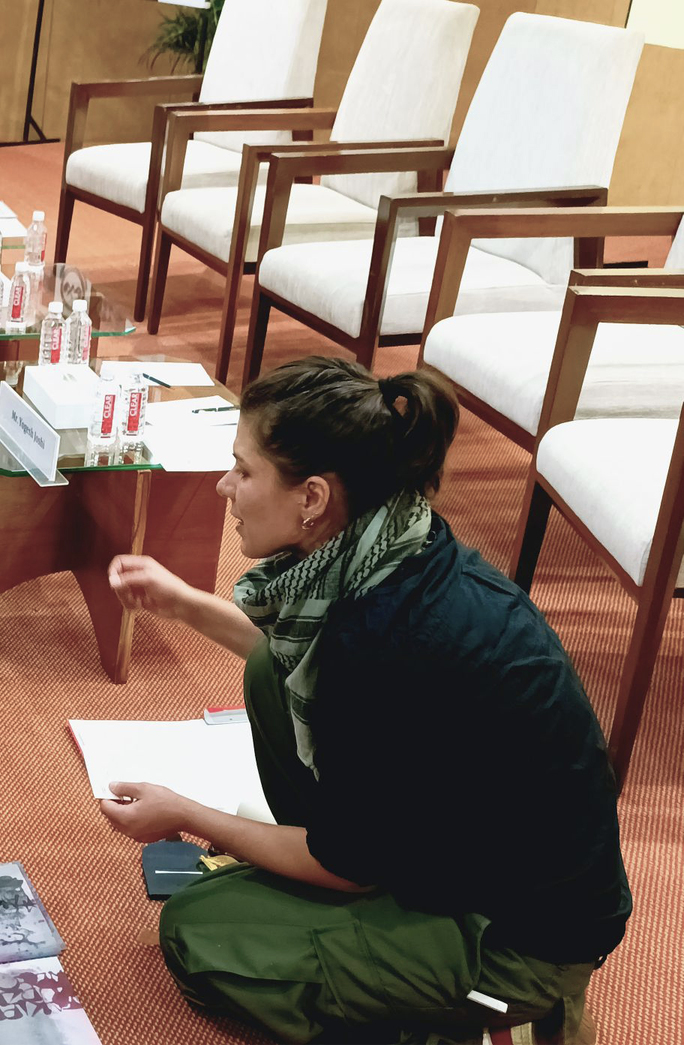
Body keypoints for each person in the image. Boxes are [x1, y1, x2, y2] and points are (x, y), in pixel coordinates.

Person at [103, 358, 630, 1044]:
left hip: (520, 942)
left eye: (244, 469)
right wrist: (183, 604)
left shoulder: (379, 642)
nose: (225, 485)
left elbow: (346, 868)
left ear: (313, 498)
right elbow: (299, 662)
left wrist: (184, 812)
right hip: (470, 853)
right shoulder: (397, 545)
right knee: (268, 671)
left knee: (198, 931)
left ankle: (487, 1017)